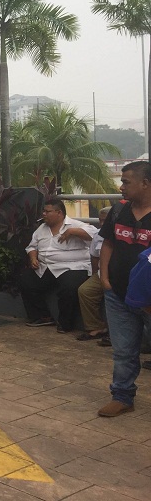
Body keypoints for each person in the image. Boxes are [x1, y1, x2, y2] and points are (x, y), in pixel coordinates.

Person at [97, 161, 151, 418]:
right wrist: (105, 279)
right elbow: (108, 243)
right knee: (124, 350)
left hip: (149, 300)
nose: (121, 187)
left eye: (126, 181)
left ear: (145, 183)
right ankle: (122, 396)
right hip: (118, 295)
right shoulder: (119, 211)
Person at [20, 197, 96, 333]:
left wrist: (72, 232)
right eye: (43, 211)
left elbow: (95, 236)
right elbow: (31, 247)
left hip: (72, 266)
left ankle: (65, 324)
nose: (44, 214)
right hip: (46, 267)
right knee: (26, 280)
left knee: (69, 288)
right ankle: (43, 317)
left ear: (59, 213)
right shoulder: (41, 229)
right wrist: (33, 258)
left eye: (47, 211)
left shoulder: (75, 225)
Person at [76, 207, 112, 343]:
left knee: (116, 296)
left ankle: (116, 334)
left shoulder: (122, 233)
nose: (102, 223)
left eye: (105, 220)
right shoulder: (98, 234)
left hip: (121, 274)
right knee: (85, 291)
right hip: (102, 273)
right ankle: (96, 327)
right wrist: (94, 274)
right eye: (100, 220)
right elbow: (94, 256)